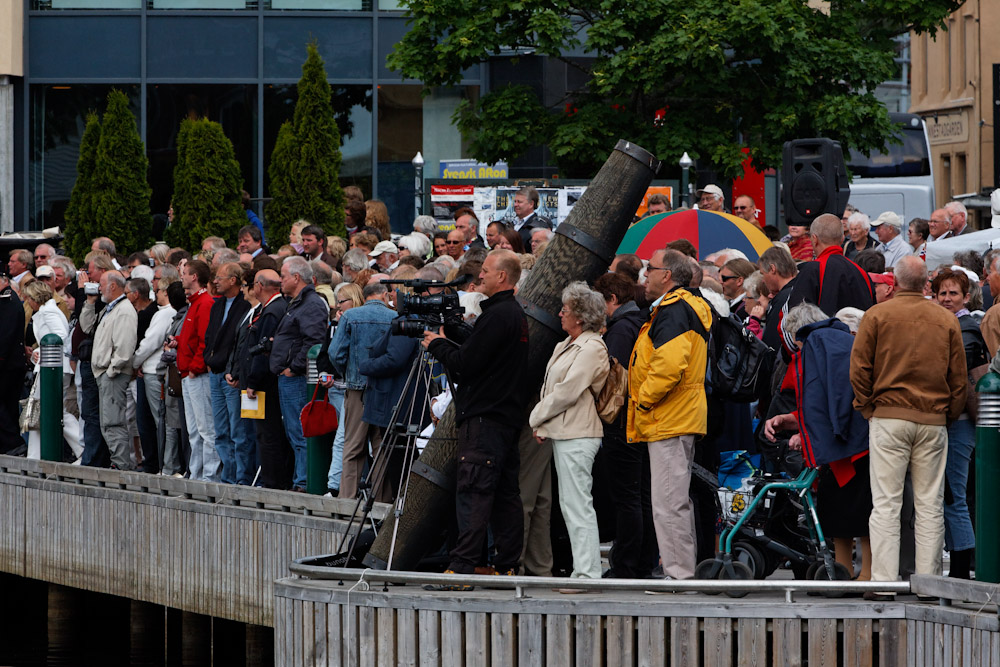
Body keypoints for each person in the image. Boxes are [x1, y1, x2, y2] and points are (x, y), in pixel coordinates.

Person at [850, 255, 967, 599]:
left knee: (886, 503)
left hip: (888, 416)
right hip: (932, 418)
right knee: (929, 504)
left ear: (896, 283)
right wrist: (946, 414)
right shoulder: (945, 320)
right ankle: (929, 583)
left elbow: (859, 371)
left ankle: (884, 582)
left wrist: (867, 406)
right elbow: (958, 380)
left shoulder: (877, 315)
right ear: (926, 284)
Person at [422, 250, 528, 583]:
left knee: (474, 491)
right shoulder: (509, 314)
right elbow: (481, 352)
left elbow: (466, 364)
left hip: (484, 418)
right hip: (504, 418)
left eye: (485, 271)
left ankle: (463, 566)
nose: (479, 276)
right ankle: (505, 563)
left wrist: (436, 344)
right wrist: (453, 330)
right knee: (505, 494)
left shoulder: (499, 315)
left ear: (502, 277)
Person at [628, 248, 712, 580]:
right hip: (675, 415)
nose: (645, 274)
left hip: (668, 416)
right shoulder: (679, 307)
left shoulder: (675, 310)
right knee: (672, 501)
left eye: (650, 268)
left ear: (667, 275)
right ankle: (679, 572)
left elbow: (668, 367)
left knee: (668, 503)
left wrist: (644, 401)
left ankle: (678, 575)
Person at [527, 282, 609, 582]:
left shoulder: (592, 347)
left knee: (577, 505)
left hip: (579, 434)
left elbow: (567, 391)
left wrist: (536, 417)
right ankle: (584, 571)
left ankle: (587, 573)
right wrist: (542, 424)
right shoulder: (565, 344)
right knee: (570, 504)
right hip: (564, 432)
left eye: (566, 309)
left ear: (580, 316)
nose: (560, 314)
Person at [594, 272, 655, 578]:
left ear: (613, 300)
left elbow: (613, 381)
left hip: (621, 422)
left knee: (627, 498)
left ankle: (627, 565)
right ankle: (643, 561)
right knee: (640, 495)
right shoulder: (639, 322)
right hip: (638, 420)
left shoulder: (620, 330)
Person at [930, 268, 986, 580]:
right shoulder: (946, 325)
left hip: (960, 422)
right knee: (950, 493)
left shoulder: (965, 328)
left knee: (954, 494)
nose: (947, 299)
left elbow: (962, 379)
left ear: (965, 297)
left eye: (953, 293)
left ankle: (962, 569)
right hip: (950, 420)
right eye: (942, 293)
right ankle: (961, 562)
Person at [329, 280, 397, 500]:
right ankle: (382, 501)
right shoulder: (394, 318)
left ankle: (347, 500)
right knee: (380, 446)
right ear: (385, 295)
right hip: (385, 389)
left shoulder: (350, 316)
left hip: (357, 388)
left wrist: (349, 374)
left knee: (352, 447)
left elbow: (335, 353)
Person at [270, 256, 329, 491]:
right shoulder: (297, 302)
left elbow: (314, 341)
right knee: (293, 432)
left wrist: (293, 368)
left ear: (296, 277)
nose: (279, 281)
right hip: (289, 378)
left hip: (297, 379)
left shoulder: (311, 303)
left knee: (300, 432)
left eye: (283, 276)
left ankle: (304, 482)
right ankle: (300, 480)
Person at [21, 280, 82, 462]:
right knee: (41, 409)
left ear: (34, 298)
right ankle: (34, 455)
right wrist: (37, 355)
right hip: (49, 367)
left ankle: (82, 448)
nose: (27, 302)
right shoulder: (45, 311)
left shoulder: (49, 312)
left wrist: (39, 352)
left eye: (28, 298)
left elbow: (60, 337)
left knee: (52, 410)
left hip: (54, 369)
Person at [204, 262, 253, 485]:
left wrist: (232, 370)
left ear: (233, 280)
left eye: (220, 278)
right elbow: (210, 336)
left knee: (238, 430)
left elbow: (238, 342)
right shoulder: (217, 304)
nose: (215, 281)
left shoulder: (244, 307)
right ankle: (228, 477)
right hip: (215, 373)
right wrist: (208, 359)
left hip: (231, 376)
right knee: (220, 431)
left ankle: (240, 478)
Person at [246, 270, 294, 489]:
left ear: (259, 286)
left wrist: (252, 382)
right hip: (269, 381)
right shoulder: (274, 308)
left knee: (268, 435)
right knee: (268, 434)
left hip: (265, 384)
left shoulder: (272, 311)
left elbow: (264, 352)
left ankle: (273, 483)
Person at [90, 271, 138, 471]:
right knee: (108, 422)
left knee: (113, 422)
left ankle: (121, 465)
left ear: (113, 286)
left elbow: (125, 347)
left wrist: (112, 369)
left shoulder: (124, 310)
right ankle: (118, 463)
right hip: (105, 372)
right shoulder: (112, 308)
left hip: (113, 374)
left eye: (102, 283)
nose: (98, 287)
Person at [177, 259, 219, 482]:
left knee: (206, 430)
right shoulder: (196, 302)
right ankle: (196, 474)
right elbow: (194, 337)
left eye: (184, 273)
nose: (181, 277)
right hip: (189, 374)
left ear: (194, 277)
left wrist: (195, 367)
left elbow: (205, 341)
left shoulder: (204, 303)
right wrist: (177, 341)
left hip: (197, 375)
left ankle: (209, 477)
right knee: (195, 431)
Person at [135, 277, 180, 476]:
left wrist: (134, 363)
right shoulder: (166, 313)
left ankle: (168, 466)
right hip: (152, 370)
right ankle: (164, 464)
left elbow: (149, 342)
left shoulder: (166, 313)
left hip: (155, 372)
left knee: (163, 421)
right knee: (158, 421)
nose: (156, 295)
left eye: (159, 291)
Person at [788, 213, 874, 317]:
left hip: (821, 332)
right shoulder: (861, 272)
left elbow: (796, 316)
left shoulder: (813, 270)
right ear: (842, 238)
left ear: (814, 239)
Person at [325, 282, 364, 496]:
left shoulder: (354, 321)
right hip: (344, 387)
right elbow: (327, 352)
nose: (337, 306)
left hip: (354, 388)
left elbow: (337, 354)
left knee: (346, 439)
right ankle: (337, 486)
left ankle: (338, 487)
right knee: (345, 439)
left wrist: (343, 372)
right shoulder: (338, 321)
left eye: (342, 301)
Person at [0, 272, 25, 453]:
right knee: (7, 405)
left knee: (6, 404)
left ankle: (13, 442)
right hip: (8, 363)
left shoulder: (8, 300)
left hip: (8, 364)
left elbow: (5, 335)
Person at [758, 246, 798, 351]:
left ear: (772, 269)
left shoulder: (784, 299)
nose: (763, 280)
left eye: (763, 274)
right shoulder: (800, 288)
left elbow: (772, 343)